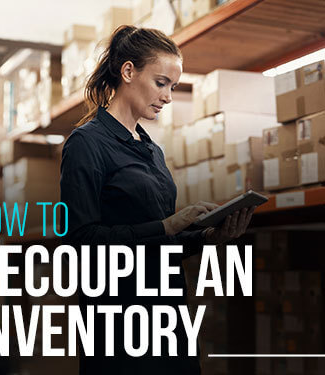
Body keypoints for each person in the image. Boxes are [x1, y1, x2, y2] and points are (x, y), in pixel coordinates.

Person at [60, 25, 255, 375]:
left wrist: (209, 237)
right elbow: (81, 240)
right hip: (119, 319)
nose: (168, 96)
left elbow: (162, 243)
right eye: (161, 82)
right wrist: (166, 225)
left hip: (168, 314)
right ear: (129, 71)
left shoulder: (152, 150)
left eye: (173, 87)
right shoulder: (86, 144)